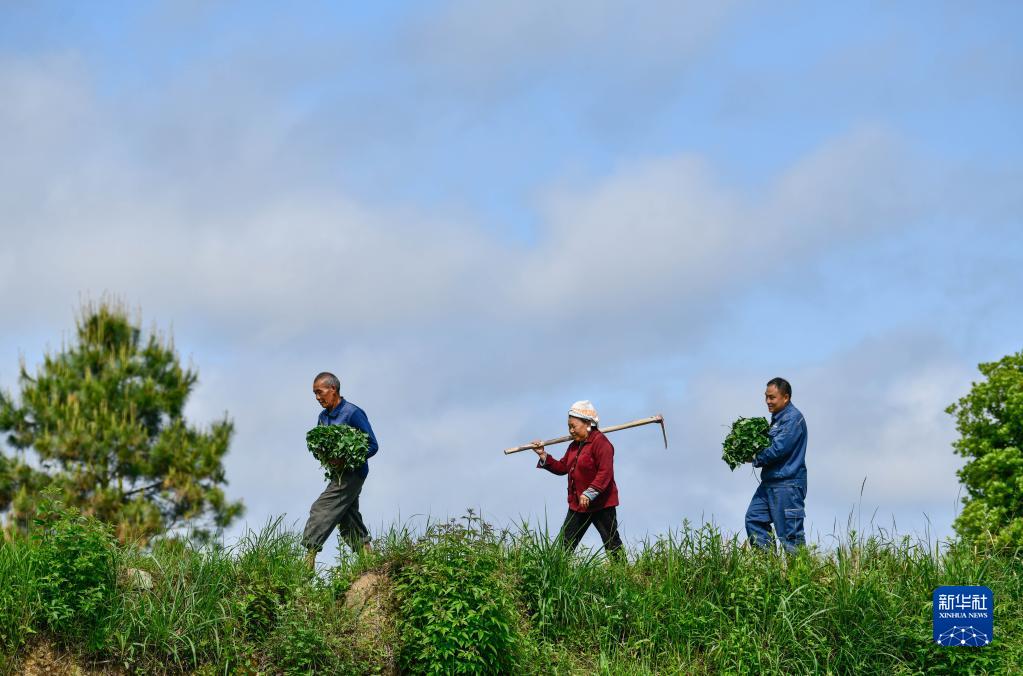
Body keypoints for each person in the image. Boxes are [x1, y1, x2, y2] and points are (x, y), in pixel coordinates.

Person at [302, 371, 379, 568]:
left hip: (353, 474)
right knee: (348, 517)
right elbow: (320, 446)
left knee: (321, 508)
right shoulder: (323, 417)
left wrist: (346, 460)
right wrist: (324, 455)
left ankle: (308, 561)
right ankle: (370, 561)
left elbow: (372, 445)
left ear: (333, 389)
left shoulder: (353, 413)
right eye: (315, 394)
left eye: (319, 392)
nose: (317, 397)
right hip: (338, 473)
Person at [532, 400, 624, 559]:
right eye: (569, 427)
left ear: (587, 423)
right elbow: (563, 467)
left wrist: (589, 493)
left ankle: (622, 571)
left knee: (612, 543)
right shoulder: (574, 445)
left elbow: (605, 473)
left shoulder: (602, 444)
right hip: (578, 504)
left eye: (573, 426)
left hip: (602, 505)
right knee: (565, 544)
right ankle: (557, 571)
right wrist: (543, 455)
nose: (571, 430)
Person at [744, 377, 807, 553]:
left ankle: (800, 570)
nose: (768, 401)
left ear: (785, 397)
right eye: (766, 397)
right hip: (770, 483)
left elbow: (778, 449)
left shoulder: (793, 419)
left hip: (787, 484)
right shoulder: (778, 419)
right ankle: (767, 565)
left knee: (790, 537)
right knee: (754, 519)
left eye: (772, 397)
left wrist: (755, 457)